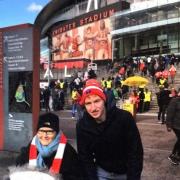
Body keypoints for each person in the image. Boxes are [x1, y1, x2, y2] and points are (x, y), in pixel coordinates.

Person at [76, 79, 143, 180]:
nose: (93, 108)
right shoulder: (82, 126)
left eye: (97, 101)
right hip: (101, 172)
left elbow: (135, 152)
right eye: (88, 103)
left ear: (104, 100)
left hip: (125, 172)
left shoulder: (124, 118)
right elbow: (85, 158)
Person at [15, 112, 84, 180]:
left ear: (56, 133)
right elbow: (20, 164)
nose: (44, 136)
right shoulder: (33, 144)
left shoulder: (67, 151)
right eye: (41, 131)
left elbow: (76, 175)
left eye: (49, 132)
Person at [166, 89, 180, 165]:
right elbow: (169, 113)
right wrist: (168, 125)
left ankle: (176, 155)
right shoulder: (175, 101)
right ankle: (173, 156)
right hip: (176, 125)